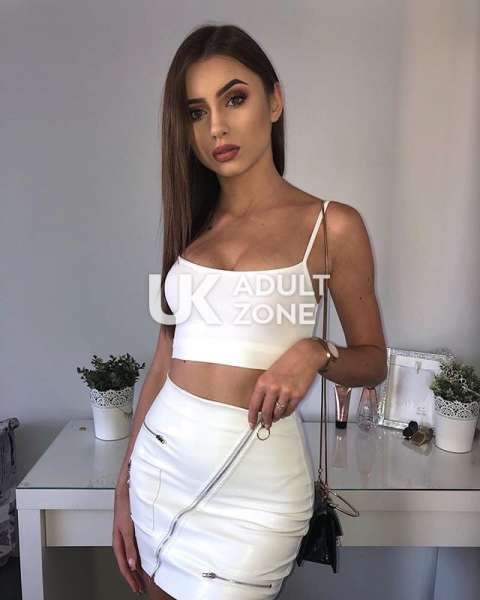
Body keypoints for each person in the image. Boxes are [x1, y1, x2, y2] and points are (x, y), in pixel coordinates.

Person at [113, 23, 387, 600]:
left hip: (255, 495)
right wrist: (123, 484)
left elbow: (373, 361)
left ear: (275, 101)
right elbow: (163, 363)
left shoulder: (332, 226)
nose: (216, 126)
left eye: (234, 99)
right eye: (196, 112)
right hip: (159, 473)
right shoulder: (191, 227)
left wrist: (315, 351)